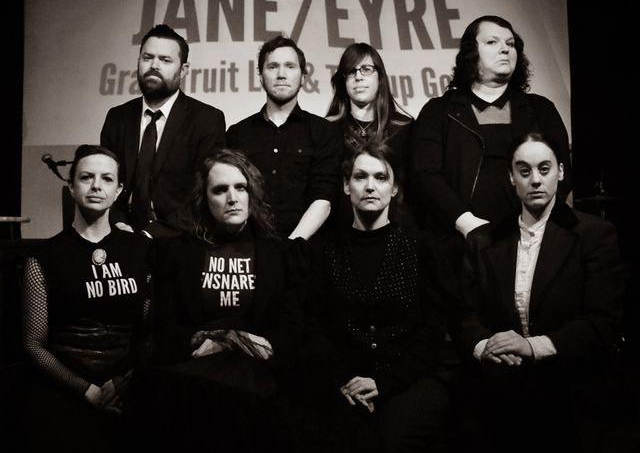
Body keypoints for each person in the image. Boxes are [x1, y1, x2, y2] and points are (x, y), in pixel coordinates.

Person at [454, 132, 627, 453]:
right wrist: (486, 345)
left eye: (544, 169)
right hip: (502, 385)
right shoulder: (483, 241)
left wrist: (531, 346)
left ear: (560, 172)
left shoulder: (594, 235)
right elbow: (466, 316)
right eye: (524, 170)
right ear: (511, 177)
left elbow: (602, 322)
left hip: (572, 387)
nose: (535, 180)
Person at [137, 148, 302, 450]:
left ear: (252, 193)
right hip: (195, 376)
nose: (233, 197)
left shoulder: (276, 254)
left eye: (241, 187)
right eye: (220, 190)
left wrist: (237, 341)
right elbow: (165, 330)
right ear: (205, 199)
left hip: (256, 376)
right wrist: (224, 339)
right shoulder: (178, 252)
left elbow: (290, 330)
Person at [302, 142, 452, 453]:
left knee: (388, 440)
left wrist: (385, 383)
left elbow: (434, 330)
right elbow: (314, 328)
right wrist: (344, 379)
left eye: (381, 177)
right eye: (360, 177)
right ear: (346, 186)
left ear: (395, 188)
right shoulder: (324, 250)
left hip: (410, 381)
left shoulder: (420, 246)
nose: (370, 186)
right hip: (343, 382)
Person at [410, 15, 572, 268]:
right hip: (457, 249)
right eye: (492, 42)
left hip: (530, 246)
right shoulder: (438, 111)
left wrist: (533, 224)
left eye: (511, 43)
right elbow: (424, 174)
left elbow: (563, 172)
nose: (505, 48)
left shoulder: (541, 110)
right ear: (471, 53)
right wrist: (466, 223)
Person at [20, 145, 151, 451]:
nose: (96, 186)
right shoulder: (44, 257)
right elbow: (33, 345)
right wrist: (88, 391)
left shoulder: (142, 251)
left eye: (107, 179)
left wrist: (123, 382)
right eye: (86, 177)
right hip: (64, 388)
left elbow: (150, 332)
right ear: (71, 186)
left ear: (118, 190)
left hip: (130, 385)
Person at [101, 23, 226, 238]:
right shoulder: (117, 117)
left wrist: (150, 235)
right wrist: (119, 224)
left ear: (183, 70)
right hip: (119, 236)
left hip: (179, 241)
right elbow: (105, 182)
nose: (154, 65)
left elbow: (205, 196)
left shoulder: (206, 119)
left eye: (165, 60)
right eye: (147, 58)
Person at [227, 35, 341, 240]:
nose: (281, 74)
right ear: (260, 76)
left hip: (304, 253)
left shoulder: (324, 132)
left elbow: (324, 199)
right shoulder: (237, 133)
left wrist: (290, 247)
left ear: (303, 77)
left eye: (290, 66)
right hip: (247, 251)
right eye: (272, 67)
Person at [326, 42, 415, 229]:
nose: (358, 77)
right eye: (351, 71)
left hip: (397, 229)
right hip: (340, 232)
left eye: (366, 69)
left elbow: (414, 188)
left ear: (379, 76)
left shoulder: (404, 128)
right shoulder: (327, 129)